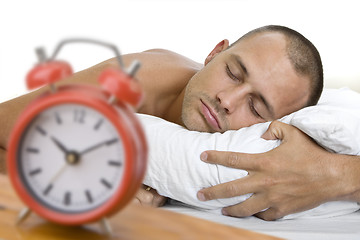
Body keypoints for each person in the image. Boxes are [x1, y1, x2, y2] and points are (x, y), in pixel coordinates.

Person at [0, 25, 351, 220]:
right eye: (232, 72)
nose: (226, 101)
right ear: (215, 52)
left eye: (256, 108)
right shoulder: (134, 82)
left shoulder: (273, 145)